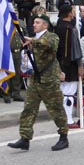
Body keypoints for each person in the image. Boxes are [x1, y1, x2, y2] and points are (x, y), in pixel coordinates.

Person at [7, 14, 70, 151]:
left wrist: (32, 41)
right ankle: (25, 138)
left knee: (56, 109)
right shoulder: (34, 39)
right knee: (29, 108)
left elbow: (49, 44)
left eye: (37, 22)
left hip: (49, 80)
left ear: (45, 25)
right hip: (35, 78)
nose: (34, 25)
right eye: (34, 22)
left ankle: (63, 137)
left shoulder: (51, 36)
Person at [55, 5, 84, 129]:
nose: (74, 14)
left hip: (60, 63)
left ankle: (64, 119)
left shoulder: (57, 27)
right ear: (68, 14)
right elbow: (73, 49)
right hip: (69, 64)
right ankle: (69, 120)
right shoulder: (69, 29)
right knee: (68, 93)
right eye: (72, 12)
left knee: (63, 92)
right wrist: (80, 64)